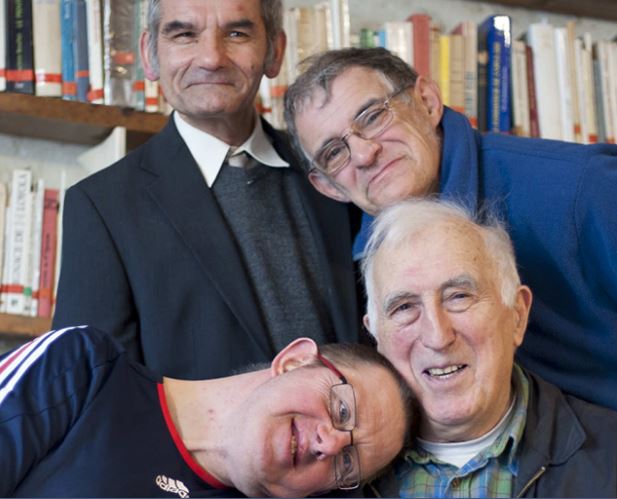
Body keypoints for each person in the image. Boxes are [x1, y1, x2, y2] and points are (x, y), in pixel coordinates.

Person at [284, 46, 617, 411]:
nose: (364, 154)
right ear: (327, 186)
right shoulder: (364, 264)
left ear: (427, 102)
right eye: (334, 152)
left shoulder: (584, 187)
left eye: (374, 116)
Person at [51, 0, 359, 380]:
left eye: (237, 33)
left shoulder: (336, 170)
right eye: (184, 34)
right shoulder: (102, 208)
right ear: (149, 55)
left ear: (274, 52)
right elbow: (91, 390)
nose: (212, 58)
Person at [359, 198, 617, 498]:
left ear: (517, 315)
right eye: (404, 307)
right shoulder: (337, 477)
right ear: (376, 336)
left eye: (459, 296)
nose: (437, 336)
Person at [0, 325, 413, 498]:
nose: (331, 444)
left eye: (347, 462)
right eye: (342, 410)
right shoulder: (88, 369)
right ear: (294, 361)